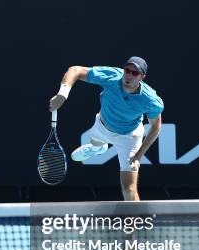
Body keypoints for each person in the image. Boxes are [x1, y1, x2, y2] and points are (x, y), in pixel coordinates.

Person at [49, 56, 164, 201]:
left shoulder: (150, 100)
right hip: (102, 126)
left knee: (129, 188)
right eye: (127, 70)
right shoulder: (112, 77)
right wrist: (63, 94)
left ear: (142, 77)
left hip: (129, 137)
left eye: (135, 73)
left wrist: (139, 155)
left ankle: (133, 223)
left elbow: (156, 126)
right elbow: (75, 70)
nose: (128, 75)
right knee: (96, 142)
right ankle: (97, 148)